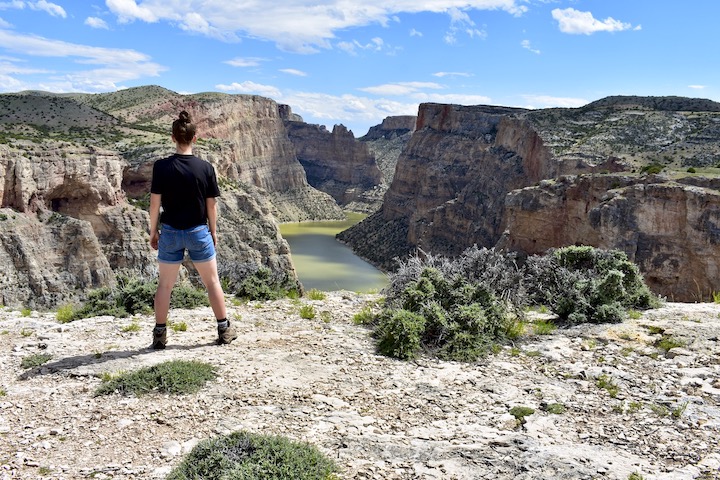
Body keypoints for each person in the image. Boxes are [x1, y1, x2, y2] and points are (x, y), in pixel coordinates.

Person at [148, 110, 237, 349]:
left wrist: (153, 231)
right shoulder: (205, 168)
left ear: (173, 137)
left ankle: (159, 335)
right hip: (199, 231)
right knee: (212, 283)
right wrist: (214, 231)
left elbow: (154, 203)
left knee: (165, 286)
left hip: (170, 232)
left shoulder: (161, 167)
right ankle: (224, 330)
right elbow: (211, 205)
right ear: (194, 138)